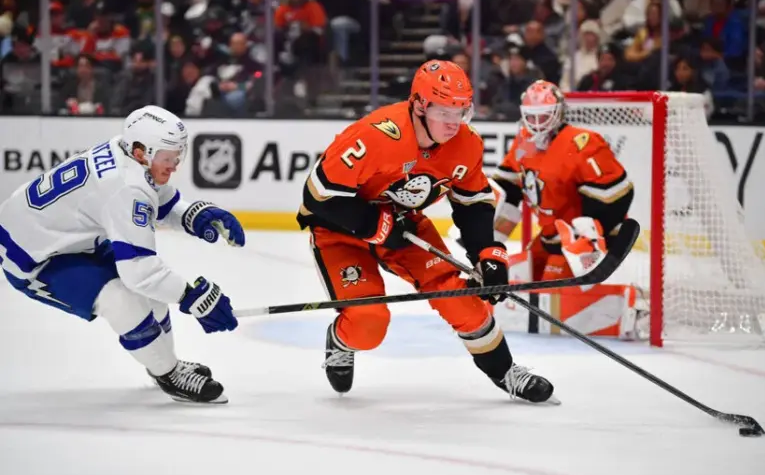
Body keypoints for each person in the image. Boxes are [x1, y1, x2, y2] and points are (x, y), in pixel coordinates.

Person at [297, 60, 555, 404]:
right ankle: (342, 341)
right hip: (340, 230)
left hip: (404, 226)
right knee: (368, 322)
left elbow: (473, 203)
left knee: (462, 300)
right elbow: (318, 195)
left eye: (461, 111)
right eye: (445, 111)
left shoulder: (466, 144)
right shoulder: (376, 135)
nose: (454, 123)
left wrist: (487, 254)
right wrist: (376, 226)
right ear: (419, 104)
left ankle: (505, 371)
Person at [0, 105, 243, 404]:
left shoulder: (125, 153)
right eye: (168, 156)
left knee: (151, 293)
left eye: (178, 154)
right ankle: (168, 373)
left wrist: (195, 214)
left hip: (62, 241)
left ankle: (166, 364)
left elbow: (158, 200)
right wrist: (191, 297)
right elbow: (139, 271)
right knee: (122, 299)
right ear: (142, 152)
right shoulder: (125, 187)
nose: (175, 164)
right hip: (34, 259)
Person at [491, 80, 633, 284]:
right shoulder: (524, 141)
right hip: (549, 238)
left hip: (576, 242)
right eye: (531, 115)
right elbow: (508, 187)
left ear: (559, 112)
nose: (537, 122)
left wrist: (592, 236)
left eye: (544, 114)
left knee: (548, 294)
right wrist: (487, 236)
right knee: (516, 279)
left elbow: (617, 194)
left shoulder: (582, 142)